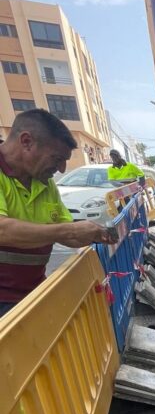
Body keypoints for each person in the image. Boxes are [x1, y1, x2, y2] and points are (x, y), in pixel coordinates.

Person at [0, 108, 116, 318]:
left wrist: (92, 233)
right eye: (56, 158)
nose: (62, 169)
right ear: (26, 141)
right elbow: (3, 230)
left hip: (32, 294)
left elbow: (67, 229)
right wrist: (66, 231)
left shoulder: (43, 182)